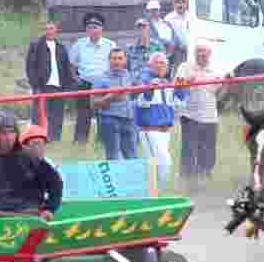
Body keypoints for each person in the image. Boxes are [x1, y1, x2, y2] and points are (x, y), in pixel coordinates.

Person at [0, 111, 61, 219]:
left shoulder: (29, 155)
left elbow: (55, 184)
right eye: (3, 133)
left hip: (27, 215)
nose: (8, 137)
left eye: (11, 132)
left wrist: (49, 209)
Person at [174, 42, 227, 186]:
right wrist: (186, 83)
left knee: (208, 149)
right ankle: (187, 179)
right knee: (189, 149)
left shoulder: (217, 70)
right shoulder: (184, 67)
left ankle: (205, 177)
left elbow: (221, 96)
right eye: (198, 51)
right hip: (190, 115)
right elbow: (177, 92)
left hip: (210, 116)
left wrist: (225, 85)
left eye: (204, 51)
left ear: (210, 54)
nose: (201, 54)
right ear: (194, 53)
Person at [135, 52, 187, 190]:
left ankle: (156, 191)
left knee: (158, 165)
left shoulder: (168, 83)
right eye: (157, 62)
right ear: (149, 65)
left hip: (165, 132)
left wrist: (181, 88)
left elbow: (179, 104)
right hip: (151, 131)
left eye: (163, 63)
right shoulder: (143, 80)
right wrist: (150, 87)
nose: (161, 66)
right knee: (162, 163)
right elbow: (143, 101)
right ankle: (159, 191)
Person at [69, 12, 115, 144]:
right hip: (85, 83)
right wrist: (76, 78)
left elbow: (117, 64)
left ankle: (102, 141)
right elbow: (71, 64)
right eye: (90, 27)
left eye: (96, 26)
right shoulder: (79, 44)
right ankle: (80, 142)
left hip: (103, 84)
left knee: (104, 115)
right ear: (86, 30)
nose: (93, 30)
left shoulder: (110, 45)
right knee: (83, 115)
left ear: (102, 29)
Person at [25, 19, 73, 141]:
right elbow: (30, 67)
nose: (49, 31)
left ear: (56, 30)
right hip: (42, 86)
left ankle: (54, 139)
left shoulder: (61, 47)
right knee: (38, 115)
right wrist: (35, 86)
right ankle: (36, 138)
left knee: (57, 115)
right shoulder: (36, 46)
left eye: (51, 28)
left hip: (58, 86)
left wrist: (68, 86)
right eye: (46, 29)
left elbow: (67, 67)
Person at [92, 48, 139, 160]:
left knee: (132, 156)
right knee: (113, 156)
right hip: (110, 120)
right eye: (114, 58)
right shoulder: (101, 78)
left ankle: (131, 178)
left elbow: (137, 92)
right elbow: (93, 103)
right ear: (109, 60)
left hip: (129, 119)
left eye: (120, 58)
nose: (117, 61)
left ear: (125, 60)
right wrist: (110, 97)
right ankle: (115, 177)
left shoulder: (129, 75)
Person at [146, 0, 178, 73]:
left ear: (159, 11)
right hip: (157, 57)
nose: (154, 13)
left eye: (156, 10)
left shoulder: (166, 23)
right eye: (151, 11)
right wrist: (168, 43)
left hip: (171, 56)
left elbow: (175, 37)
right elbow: (152, 39)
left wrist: (173, 44)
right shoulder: (146, 24)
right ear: (147, 12)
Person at [164, 0, 190, 68]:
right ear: (174, 4)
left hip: (190, 50)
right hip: (175, 51)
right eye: (178, 3)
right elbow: (166, 36)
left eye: (183, 3)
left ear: (186, 4)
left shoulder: (191, 17)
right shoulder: (168, 18)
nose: (180, 5)